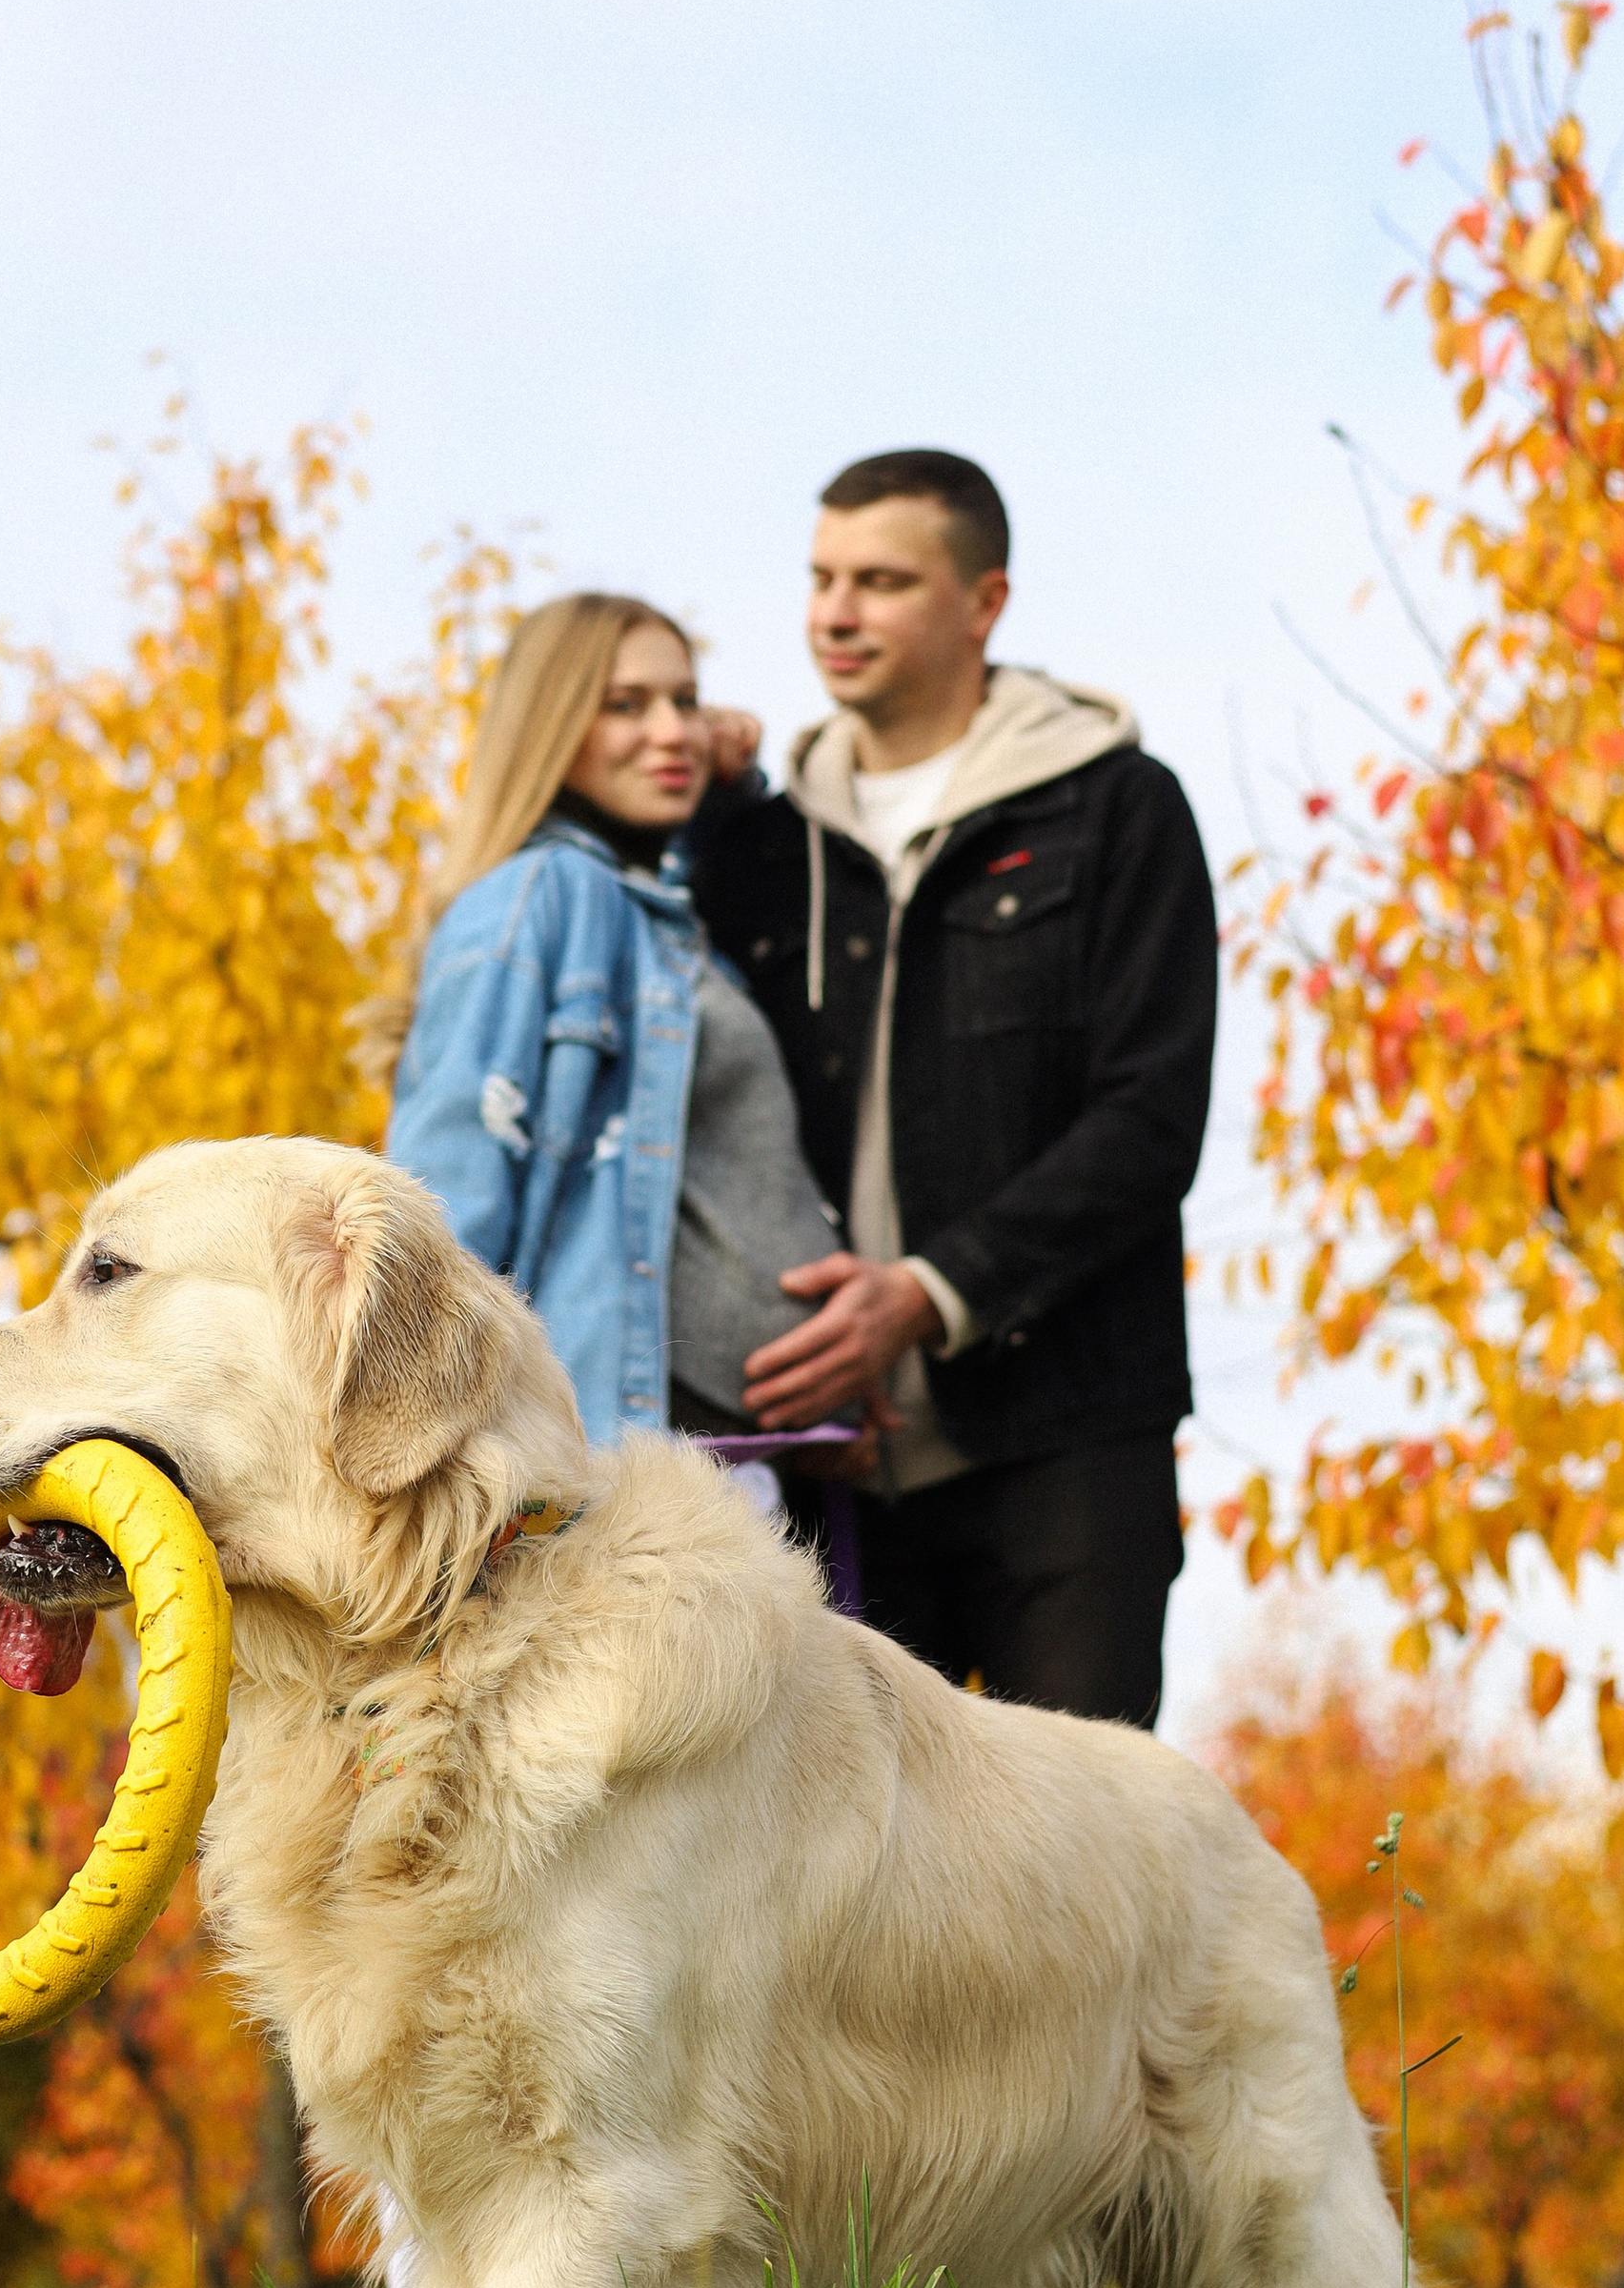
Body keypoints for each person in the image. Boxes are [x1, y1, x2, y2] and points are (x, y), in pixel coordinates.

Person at [689, 450, 1216, 1730]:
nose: (836, 612)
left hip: (1067, 1440)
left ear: (985, 603)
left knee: (1082, 1881)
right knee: (847, 1902)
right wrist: (696, 802)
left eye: (881, 580)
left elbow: (1151, 1120)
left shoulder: (1119, 812)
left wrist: (922, 1298)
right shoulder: (756, 842)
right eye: (821, 578)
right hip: (827, 1463)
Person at [376, 593, 843, 1450]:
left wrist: (732, 798)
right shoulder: (536, 899)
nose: (673, 732)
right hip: (628, 1454)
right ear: (552, 725)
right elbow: (446, 1207)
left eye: (686, 701)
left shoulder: (661, 919)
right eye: (626, 705)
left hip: (763, 1455)